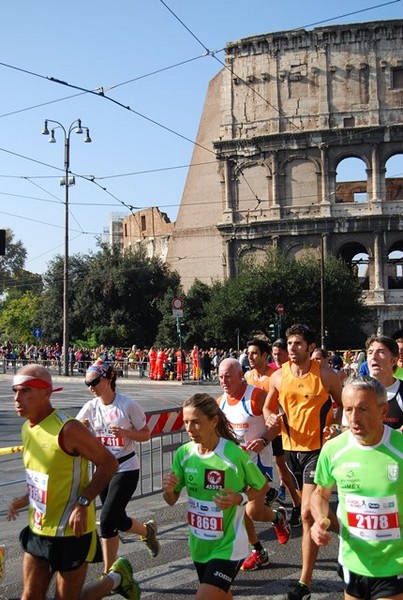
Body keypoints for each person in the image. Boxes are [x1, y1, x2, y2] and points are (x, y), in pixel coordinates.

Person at [7, 364, 140, 600]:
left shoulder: (68, 429)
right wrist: (25, 499)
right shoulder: (27, 428)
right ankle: (117, 579)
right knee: (29, 596)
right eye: (15, 391)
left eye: (26, 391)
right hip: (38, 529)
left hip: (71, 533)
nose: (17, 398)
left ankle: (117, 578)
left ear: (46, 393)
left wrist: (83, 501)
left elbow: (109, 463)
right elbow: (45, 476)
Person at [263, 323, 343, 600]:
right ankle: (349, 534)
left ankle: (304, 582)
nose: (292, 349)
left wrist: (335, 425)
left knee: (308, 513)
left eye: (298, 344)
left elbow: (342, 403)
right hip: (290, 450)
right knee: (317, 510)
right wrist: (269, 418)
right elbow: (268, 406)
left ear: (310, 347)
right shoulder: (278, 376)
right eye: (289, 344)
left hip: (318, 451)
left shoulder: (326, 375)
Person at [162, 393, 267, 600]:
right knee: (221, 595)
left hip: (229, 546)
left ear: (214, 421)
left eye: (196, 423)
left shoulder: (233, 454)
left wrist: (239, 499)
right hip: (200, 545)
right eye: (185, 422)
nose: (190, 429)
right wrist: (168, 489)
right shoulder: (184, 454)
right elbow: (171, 500)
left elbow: (262, 487)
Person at [310, 376, 403, 600]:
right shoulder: (334, 449)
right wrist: (320, 519)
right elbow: (320, 493)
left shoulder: (399, 448)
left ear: (383, 411)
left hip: (395, 563)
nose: (353, 418)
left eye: (363, 409)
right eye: (348, 409)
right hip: (353, 559)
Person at [76, 360, 160, 574]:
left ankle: (108, 573)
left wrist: (126, 433)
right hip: (103, 469)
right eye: (87, 383)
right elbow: (73, 433)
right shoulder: (90, 407)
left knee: (106, 520)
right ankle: (147, 531)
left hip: (126, 467)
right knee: (117, 518)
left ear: (109, 378)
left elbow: (146, 434)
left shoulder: (127, 405)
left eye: (94, 382)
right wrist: (82, 429)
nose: (91, 387)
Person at [218, 358, 290, 572]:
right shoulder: (219, 402)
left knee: (252, 511)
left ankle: (278, 517)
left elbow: (278, 425)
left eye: (229, 376)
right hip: (235, 466)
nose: (224, 381)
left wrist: (264, 440)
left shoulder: (256, 396)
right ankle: (258, 552)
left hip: (258, 465)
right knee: (238, 509)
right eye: (221, 377)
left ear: (241, 375)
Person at [245, 338, 302, 526]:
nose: (250, 357)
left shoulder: (276, 376)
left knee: (283, 471)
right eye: (248, 353)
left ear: (264, 355)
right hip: (255, 433)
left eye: (254, 353)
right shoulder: (248, 377)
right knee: (249, 471)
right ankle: (268, 492)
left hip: (275, 431)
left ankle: (297, 505)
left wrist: (276, 417)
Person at [363, 335, 403, 431]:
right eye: (370, 352)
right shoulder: (355, 390)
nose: (373, 357)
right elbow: (346, 427)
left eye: (381, 352)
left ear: (393, 360)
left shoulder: (401, 390)